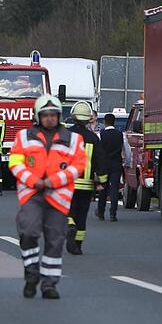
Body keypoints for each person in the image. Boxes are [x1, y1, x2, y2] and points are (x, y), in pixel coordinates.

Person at [9, 94, 86, 299]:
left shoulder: (73, 139)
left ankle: (49, 285)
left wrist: (55, 181)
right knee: (28, 232)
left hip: (58, 197)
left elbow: (79, 166)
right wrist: (34, 181)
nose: (50, 118)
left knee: (55, 240)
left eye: (53, 115)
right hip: (32, 194)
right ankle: (31, 274)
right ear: (38, 116)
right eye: (45, 115)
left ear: (59, 116)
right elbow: (15, 163)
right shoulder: (24, 137)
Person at [66, 101, 106, 255]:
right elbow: (99, 161)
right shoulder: (93, 138)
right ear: (89, 118)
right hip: (86, 185)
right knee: (82, 215)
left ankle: (69, 226)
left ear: (73, 116)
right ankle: (77, 246)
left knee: (67, 210)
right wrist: (101, 181)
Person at [97, 113, 126, 221]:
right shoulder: (120, 134)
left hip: (104, 165)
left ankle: (101, 212)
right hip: (116, 164)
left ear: (104, 122)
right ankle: (113, 214)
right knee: (114, 188)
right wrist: (126, 162)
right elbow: (126, 150)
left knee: (103, 188)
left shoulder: (101, 134)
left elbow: (98, 151)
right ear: (114, 122)